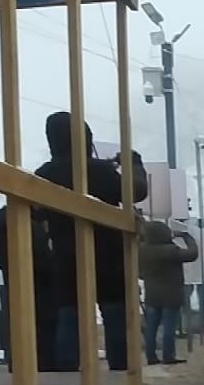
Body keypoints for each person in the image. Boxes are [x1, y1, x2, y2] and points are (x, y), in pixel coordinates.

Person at [33, 111, 148, 371]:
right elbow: (137, 191)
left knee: (70, 318)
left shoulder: (43, 174)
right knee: (115, 318)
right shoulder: (99, 171)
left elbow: (36, 212)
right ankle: (120, 375)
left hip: (66, 259)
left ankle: (68, 378)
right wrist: (133, 162)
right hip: (109, 258)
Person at [0, 204, 57, 370]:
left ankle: (18, 364)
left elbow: (0, 260)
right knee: (41, 329)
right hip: (40, 287)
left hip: (12, 283)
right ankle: (41, 365)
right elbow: (43, 260)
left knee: (16, 327)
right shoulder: (30, 226)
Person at [137, 217, 198, 365]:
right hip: (171, 294)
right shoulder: (170, 250)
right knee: (169, 327)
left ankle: (151, 356)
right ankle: (168, 356)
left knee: (151, 328)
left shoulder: (142, 250)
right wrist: (186, 237)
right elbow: (192, 254)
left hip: (152, 294)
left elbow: (140, 274)